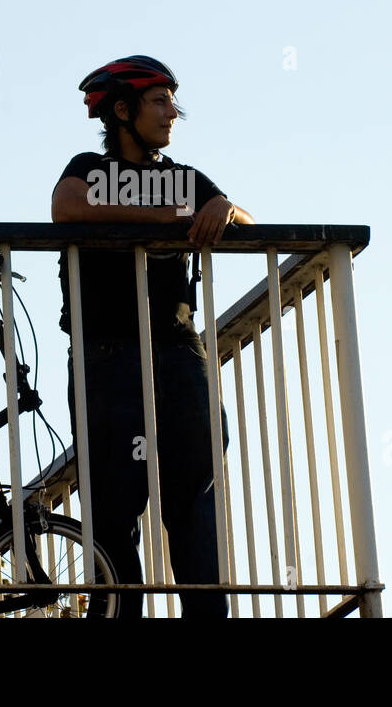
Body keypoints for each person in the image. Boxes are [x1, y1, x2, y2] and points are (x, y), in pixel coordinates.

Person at [51, 54, 254, 618]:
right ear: (122, 109)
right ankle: (120, 613)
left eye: (173, 101)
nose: (172, 114)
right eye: (159, 101)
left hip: (177, 348)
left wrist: (221, 206)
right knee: (115, 502)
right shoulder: (88, 166)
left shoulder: (184, 178)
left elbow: (245, 221)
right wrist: (164, 220)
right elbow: (64, 208)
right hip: (107, 352)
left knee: (196, 489)